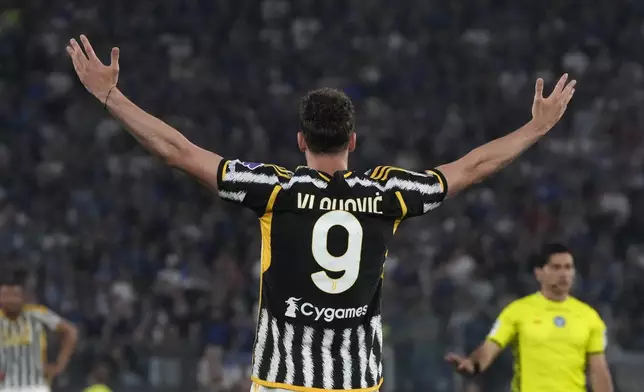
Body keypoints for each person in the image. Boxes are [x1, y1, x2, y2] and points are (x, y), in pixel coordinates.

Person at [65, 34, 575, 392]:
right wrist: (535, 128)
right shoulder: (387, 194)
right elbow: (473, 167)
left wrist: (111, 95)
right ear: (353, 140)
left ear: (300, 141)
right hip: (355, 383)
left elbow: (178, 151)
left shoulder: (274, 189)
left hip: (281, 382)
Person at [445, 243, 614, 392]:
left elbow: (598, 369)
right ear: (539, 273)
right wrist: (473, 365)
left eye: (568, 267)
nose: (563, 274)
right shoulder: (517, 311)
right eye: (556, 267)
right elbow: (490, 348)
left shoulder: (589, 317)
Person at [0, 270, 79, 392]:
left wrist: (60, 364)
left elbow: (71, 332)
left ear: (22, 297)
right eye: (6, 295)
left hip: (35, 386)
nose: (11, 299)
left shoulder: (37, 313)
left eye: (15, 295)